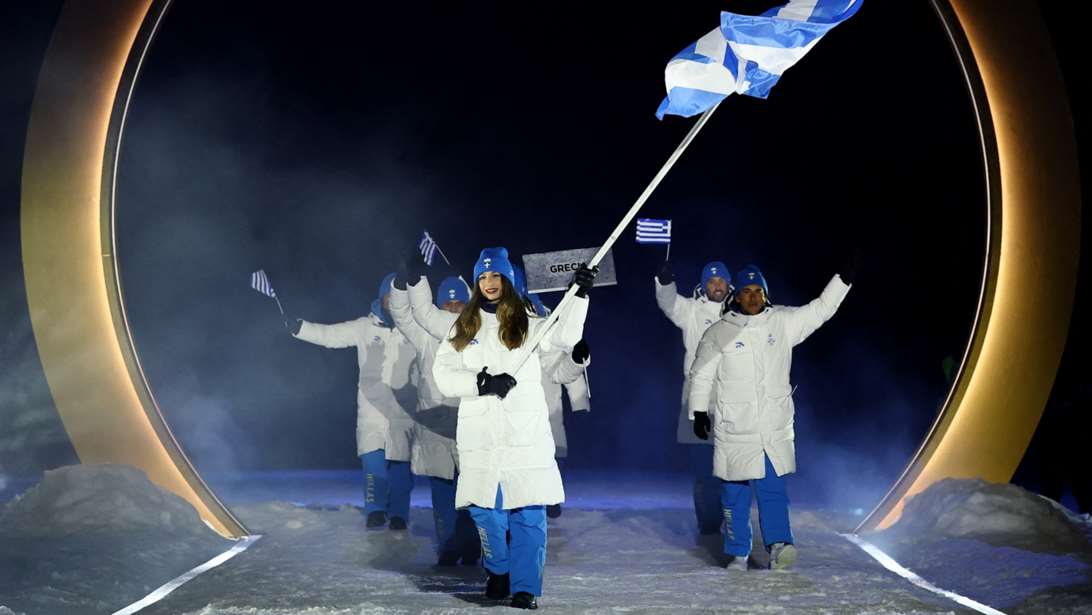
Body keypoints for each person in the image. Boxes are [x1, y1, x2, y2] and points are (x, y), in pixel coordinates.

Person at [432, 247, 594, 610]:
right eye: (483, 276)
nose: (489, 282)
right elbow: (442, 374)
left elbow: (565, 337)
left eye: (496, 275)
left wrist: (580, 295)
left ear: (508, 279)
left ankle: (526, 587)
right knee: (484, 511)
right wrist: (482, 383)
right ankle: (498, 570)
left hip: (525, 434)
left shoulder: (530, 322)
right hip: (481, 435)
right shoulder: (464, 326)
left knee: (529, 513)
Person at [688, 260, 855, 571]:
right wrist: (698, 412)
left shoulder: (782, 322)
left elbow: (820, 310)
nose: (753, 297)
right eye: (747, 291)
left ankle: (779, 545)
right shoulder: (719, 332)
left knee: (772, 490)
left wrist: (842, 280)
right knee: (734, 494)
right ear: (736, 296)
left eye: (758, 291)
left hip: (772, 427)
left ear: (765, 295)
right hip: (735, 428)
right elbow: (701, 374)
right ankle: (738, 553)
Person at [290, 273, 417, 530]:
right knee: (373, 463)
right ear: (382, 298)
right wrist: (300, 328)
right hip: (371, 411)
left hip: (403, 412)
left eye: (400, 297)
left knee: (401, 468)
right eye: (389, 296)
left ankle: (399, 514)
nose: (394, 302)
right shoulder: (364, 327)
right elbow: (331, 335)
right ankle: (375, 510)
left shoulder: (417, 328)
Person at [389, 271, 481, 565]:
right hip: (435, 425)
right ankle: (449, 546)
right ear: (438, 306)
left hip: (469, 422)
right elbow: (402, 316)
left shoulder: (479, 333)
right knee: (442, 491)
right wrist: (401, 286)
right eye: (447, 304)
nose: (453, 309)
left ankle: (472, 542)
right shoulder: (425, 336)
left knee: (473, 489)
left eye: (458, 303)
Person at [655, 260, 732, 535]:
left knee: (733, 469)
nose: (717, 286)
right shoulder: (691, 310)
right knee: (703, 470)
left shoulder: (740, 311)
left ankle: (733, 520)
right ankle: (709, 526)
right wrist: (665, 283)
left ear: (729, 284)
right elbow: (669, 304)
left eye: (721, 281)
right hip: (697, 402)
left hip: (733, 401)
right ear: (703, 285)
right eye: (711, 281)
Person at [514, 265, 591, 519]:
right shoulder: (480, 324)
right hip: (504, 422)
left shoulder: (541, 322)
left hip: (543, 410)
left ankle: (548, 498)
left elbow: (559, 362)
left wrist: (579, 400)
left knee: (548, 457)